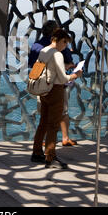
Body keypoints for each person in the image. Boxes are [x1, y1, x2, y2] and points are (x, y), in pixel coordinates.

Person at [31, 28, 82, 169]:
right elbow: (63, 77)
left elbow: (39, 70)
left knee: (43, 123)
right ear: (58, 40)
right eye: (65, 42)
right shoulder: (57, 54)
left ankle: (36, 153)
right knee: (53, 125)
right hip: (55, 91)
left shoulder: (44, 51)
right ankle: (50, 156)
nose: (65, 45)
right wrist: (75, 75)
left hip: (44, 91)